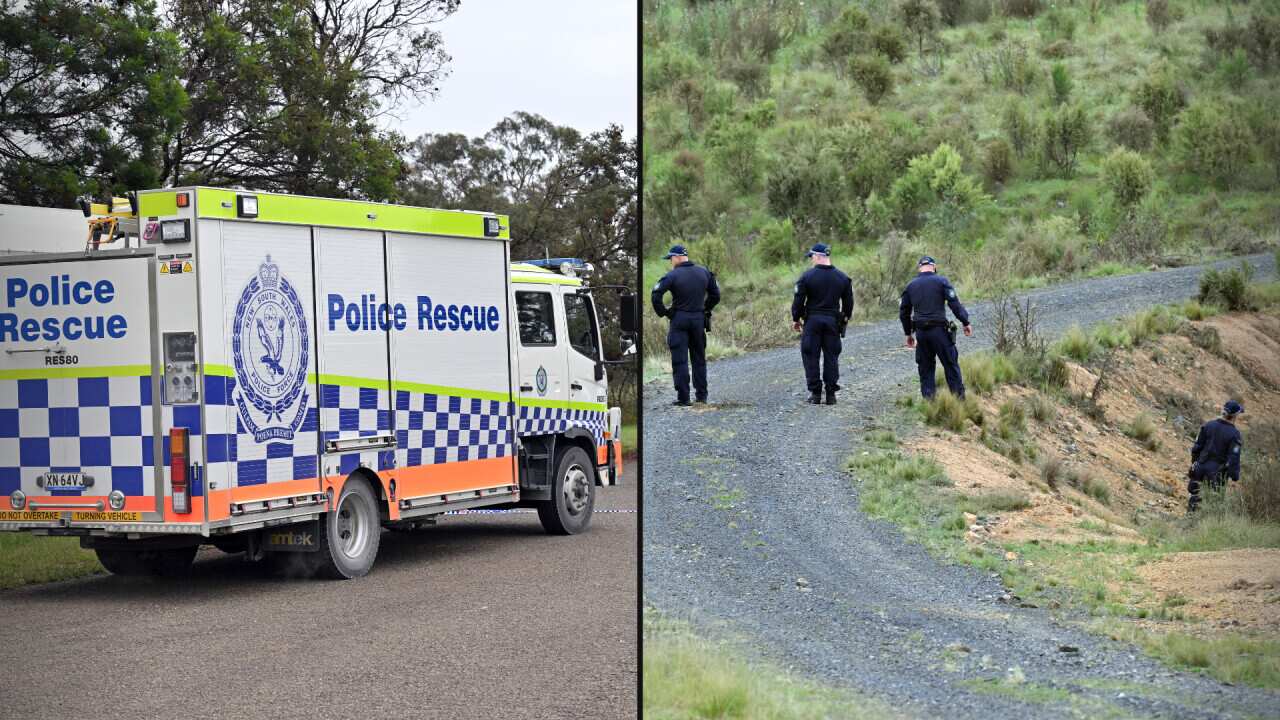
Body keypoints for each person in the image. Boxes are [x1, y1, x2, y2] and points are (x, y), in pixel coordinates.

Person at [651, 244, 721, 406]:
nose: (670, 262)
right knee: (699, 359)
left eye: (671, 259)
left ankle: (683, 398)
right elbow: (716, 295)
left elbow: (656, 296)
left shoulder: (672, 276)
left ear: (676, 257)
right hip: (698, 320)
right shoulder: (704, 272)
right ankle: (701, 397)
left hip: (679, 320)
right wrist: (705, 308)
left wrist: (665, 312)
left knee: (680, 360)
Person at [900, 256, 972, 399]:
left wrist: (908, 334)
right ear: (934, 267)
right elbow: (954, 304)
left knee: (925, 369)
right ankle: (959, 402)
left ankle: (929, 404)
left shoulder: (910, 286)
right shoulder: (941, 281)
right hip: (939, 331)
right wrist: (965, 322)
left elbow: (904, 313)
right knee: (950, 365)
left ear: (919, 268)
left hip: (921, 333)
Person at [791, 243, 854, 405]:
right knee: (831, 356)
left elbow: (798, 301)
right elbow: (848, 304)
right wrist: (844, 319)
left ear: (818, 256)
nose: (811, 260)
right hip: (833, 321)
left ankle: (816, 393)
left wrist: (796, 319)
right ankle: (831, 395)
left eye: (811, 257)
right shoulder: (842, 278)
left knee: (810, 355)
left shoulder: (806, 277)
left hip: (812, 321)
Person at [1187, 400, 1244, 513]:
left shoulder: (1208, 425)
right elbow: (1233, 458)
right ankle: (1201, 527)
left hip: (1200, 467)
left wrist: (1195, 463)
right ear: (1235, 415)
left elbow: (1196, 447)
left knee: (1195, 497)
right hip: (1217, 473)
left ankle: (1189, 521)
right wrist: (1234, 476)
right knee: (1212, 503)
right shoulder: (1235, 435)